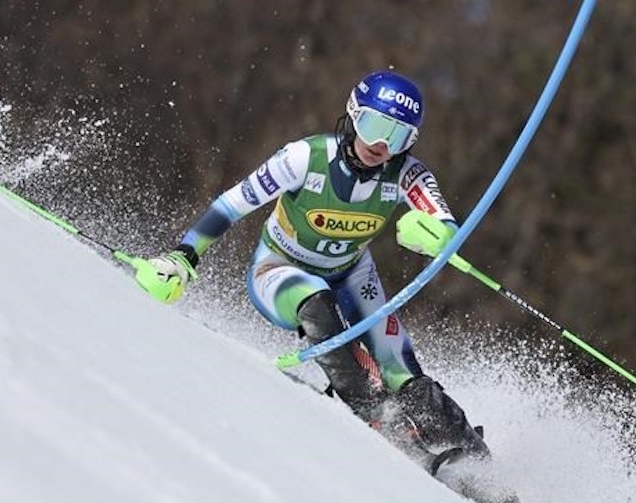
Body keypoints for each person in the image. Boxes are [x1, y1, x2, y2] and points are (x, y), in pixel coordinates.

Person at [136, 70, 489, 462]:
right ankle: (381, 421)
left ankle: (486, 474)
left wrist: (437, 236)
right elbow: (231, 205)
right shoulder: (305, 158)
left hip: (353, 275)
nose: (380, 144)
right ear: (354, 115)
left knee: (404, 374)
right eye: (373, 125)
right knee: (315, 302)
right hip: (278, 268)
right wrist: (185, 254)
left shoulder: (407, 174)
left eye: (397, 136)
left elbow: (446, 223)